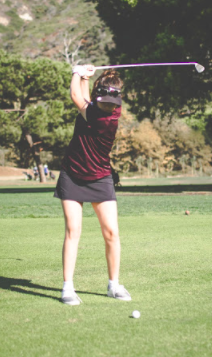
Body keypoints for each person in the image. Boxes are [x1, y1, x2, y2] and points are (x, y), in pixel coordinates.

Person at [54, 64, 131, 306]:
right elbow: (86, 100)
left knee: (111, 233)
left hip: (100, 177)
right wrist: (87, 77)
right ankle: (67, 287)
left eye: (112, 102)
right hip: (72, 175)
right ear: (100, 96)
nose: (109, 105)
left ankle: (114, 284)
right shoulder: (95, 107)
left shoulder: (107, 117)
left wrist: (77, 73)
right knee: (73, 231)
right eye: (105, 100)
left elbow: (77, 97)